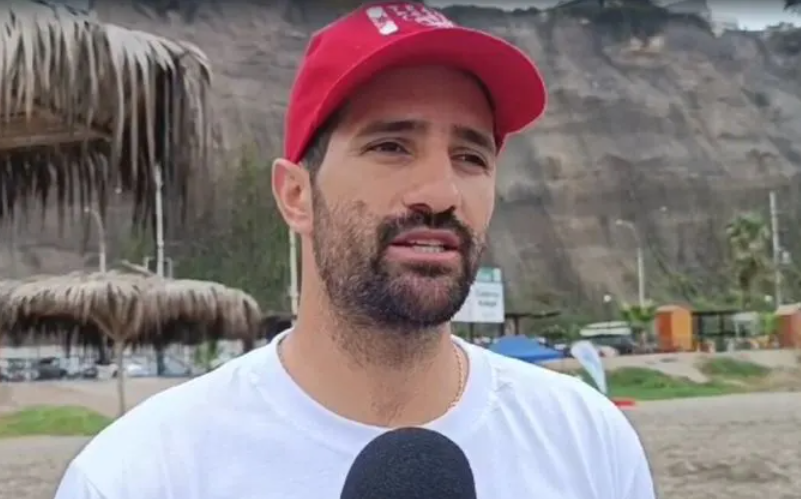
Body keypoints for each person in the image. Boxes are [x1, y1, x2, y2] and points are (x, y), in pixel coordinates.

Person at [54, 2, 656, 498]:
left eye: (471, 157)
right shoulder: (140, 474)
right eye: (391, 147)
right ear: (296, 196)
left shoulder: (588, 443)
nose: (440, 193)